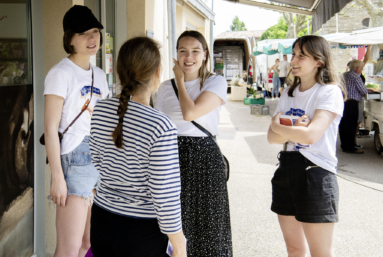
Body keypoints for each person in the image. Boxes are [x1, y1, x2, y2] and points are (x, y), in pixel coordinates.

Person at [89, 37, 187, 256]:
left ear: (118, 71)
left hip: (102, 220)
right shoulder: (160, 125)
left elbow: (96, 160)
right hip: (141, 232)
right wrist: (180, 246)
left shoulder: (101, 110)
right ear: (157, 72)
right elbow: (165, 194)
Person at [154, 30, 233, 256]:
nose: (189, 57)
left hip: (205, 159)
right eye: (183, 51)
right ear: (176, 55)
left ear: (205, 55)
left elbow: (190, 113)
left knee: (208, 224)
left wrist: (179, 79)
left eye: (195, 51)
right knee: (174, 223)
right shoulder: (163, 89)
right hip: (170, 157)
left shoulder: (215, 82)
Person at [267, 35, 346, 257]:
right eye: (293, 54)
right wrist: (291, 130)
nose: (294, 60)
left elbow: (310, 136)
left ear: (319, 62)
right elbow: (271, 138)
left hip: (316, 173)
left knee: (320, 253)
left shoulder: (329, 92)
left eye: (301, 55)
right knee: (294, 249)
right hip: (286, 171)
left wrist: (279, 126)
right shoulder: (288, 93)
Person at [43, 5, 108, 257]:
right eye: (83, 33)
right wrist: (58, 178)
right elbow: (50, 128)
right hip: (74, 161)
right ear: (69, 39)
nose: (92, 38)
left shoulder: (99, 75)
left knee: (86, 243)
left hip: (98, 159)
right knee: (69, 248)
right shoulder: (60, 73)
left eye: (95, 31)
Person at [339, 60, 374, 154]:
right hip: (352, 103)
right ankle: (350, 147)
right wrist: (369, 90)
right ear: (357, 68)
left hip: (342, 102)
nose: (362, 70)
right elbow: (363, 91)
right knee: (351, 125)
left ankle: (344, 146)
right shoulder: (356, 76)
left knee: (343, 125)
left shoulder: (343, 75)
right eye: (361, 68)